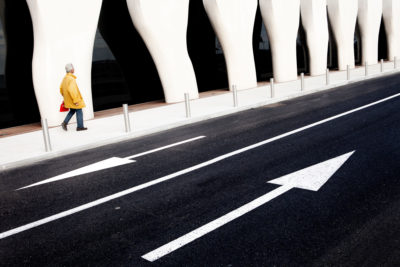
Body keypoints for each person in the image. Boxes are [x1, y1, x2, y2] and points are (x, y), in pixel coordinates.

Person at [60, 63, 88, 131]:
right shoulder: (71, 79)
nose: (74, 69)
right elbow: (73, 90)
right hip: (73, 99)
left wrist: (66, 97)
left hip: (69, 99)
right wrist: (75, 101)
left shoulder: (65, 78)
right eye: (73, 68)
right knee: (79, 110)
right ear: (71, 69)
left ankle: (64, 122)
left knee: (72, 110)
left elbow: (61, 89)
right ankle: (80, 127)